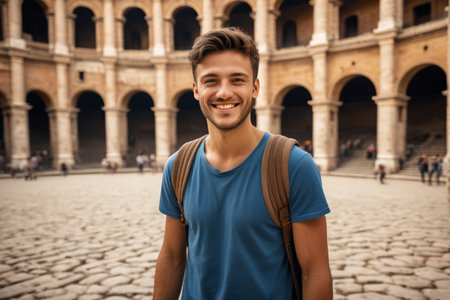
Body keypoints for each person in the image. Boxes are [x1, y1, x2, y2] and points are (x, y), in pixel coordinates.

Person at [154, 28, 332, 300]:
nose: (224, 92)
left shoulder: (294, 166)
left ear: (255, 87)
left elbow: (315, 272)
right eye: (210, 81)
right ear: (196, 90)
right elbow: (172, 256)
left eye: (237, 80)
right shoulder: (178, 166)